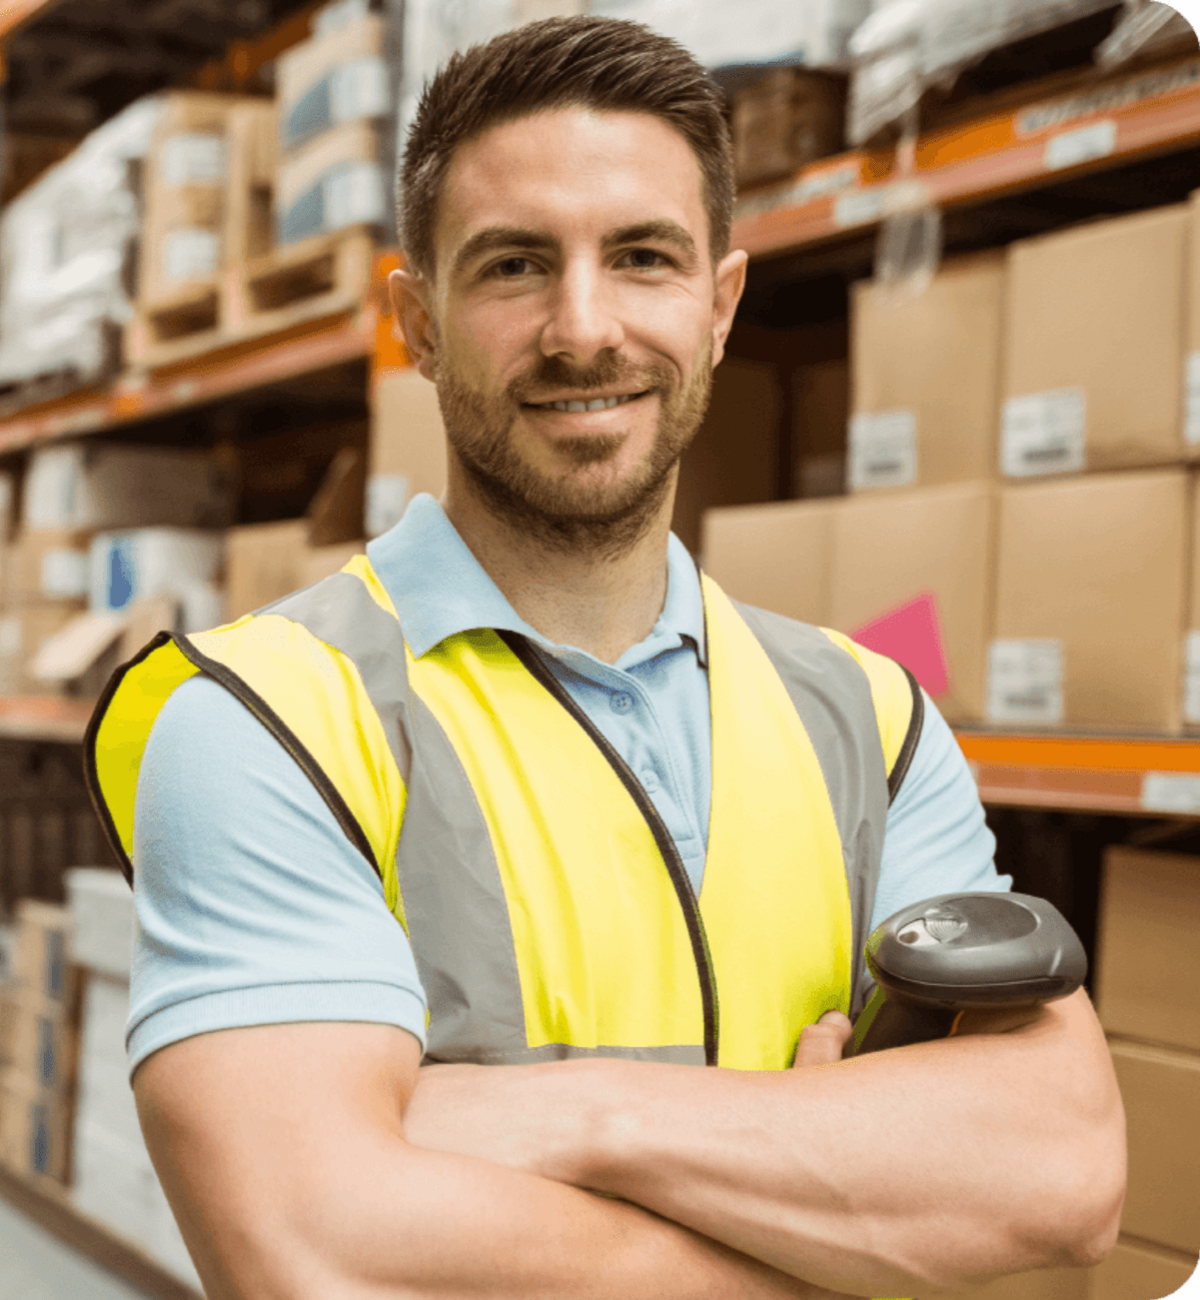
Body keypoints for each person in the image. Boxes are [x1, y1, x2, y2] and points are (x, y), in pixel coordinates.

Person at [85, 15, 1125, 1300]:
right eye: (515, 265)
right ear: (416, 320)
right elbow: (320, 1254)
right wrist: (833, 1206)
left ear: (721, 303)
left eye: (643, 257)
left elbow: (1063, 1167)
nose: (586, 329)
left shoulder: (871, 718)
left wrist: (569, 1119)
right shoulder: (263, 716)